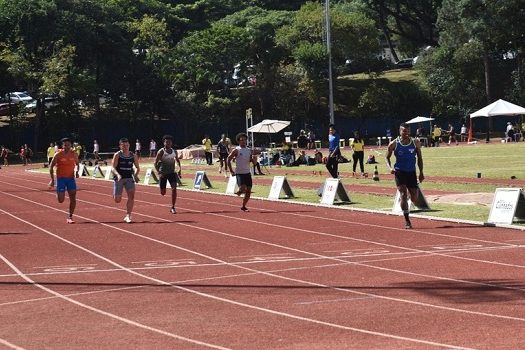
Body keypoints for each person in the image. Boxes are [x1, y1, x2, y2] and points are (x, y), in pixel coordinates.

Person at [385, 123, 425, 229]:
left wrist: (421, 172)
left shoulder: (415, 142)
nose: (406, 133)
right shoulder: (394, 144)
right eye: (404, 131)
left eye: (407, 131)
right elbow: (387, 157)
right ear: (400, 131)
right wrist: (390, 168)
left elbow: (420, 158)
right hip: (400, 172)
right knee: (402, 193)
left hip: (411, 172)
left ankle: (407, 197)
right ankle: (407, 220)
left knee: (414, 198)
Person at [49, 137, 79, 224]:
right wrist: (52, 180)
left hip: (71, 179)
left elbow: (77, 164)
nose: (67, 147)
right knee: (61, 200)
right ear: (62, 146)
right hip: (61, 178)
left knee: (73, 197)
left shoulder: (74, 154)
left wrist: (77, 171)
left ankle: (70, 216)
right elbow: (51, 167)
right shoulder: (58, 154)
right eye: (65, 145)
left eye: (69, 145)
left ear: (71, 145)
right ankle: (58, 192)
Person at [111, 138, 140, 223]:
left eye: (127, 145)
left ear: (129, 145)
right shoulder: (117, 155)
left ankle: (128, 215)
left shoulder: (133, 155)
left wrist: (135, 175)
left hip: (129, 178)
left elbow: (137, 167)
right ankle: (115, 194)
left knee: (131, 196)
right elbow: (113, 167)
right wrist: (118, 174)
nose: (125, 147)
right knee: (117, 200)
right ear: (120, 146)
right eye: (123, 146)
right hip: (119, 179)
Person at [227, 133, 255, 211]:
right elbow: (228, 159)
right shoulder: (236, 150)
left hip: (247, 173)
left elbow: (251, 161)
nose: (243, 141)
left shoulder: (249, 150)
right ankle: (240, 191)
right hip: (240, 173)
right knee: (243, 188)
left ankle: (243, 206)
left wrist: (254, 160)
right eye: (241, 140)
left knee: (248, 191)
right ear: (238, 141)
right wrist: (231, 170)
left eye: (245, 140)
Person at [154, 135, 181, 214]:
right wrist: (158, 172)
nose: (168, 143)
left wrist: (179, 170)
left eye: (170, 142)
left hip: (172, 173)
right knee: (163, 193)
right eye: (167, 142)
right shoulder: (161, 151)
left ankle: (173, 207)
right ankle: (162, 188)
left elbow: (178, 161)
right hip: (163, 174)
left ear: (172, 143)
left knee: (174, 189)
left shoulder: (174, 151)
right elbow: (155, 163)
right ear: (164, 143)